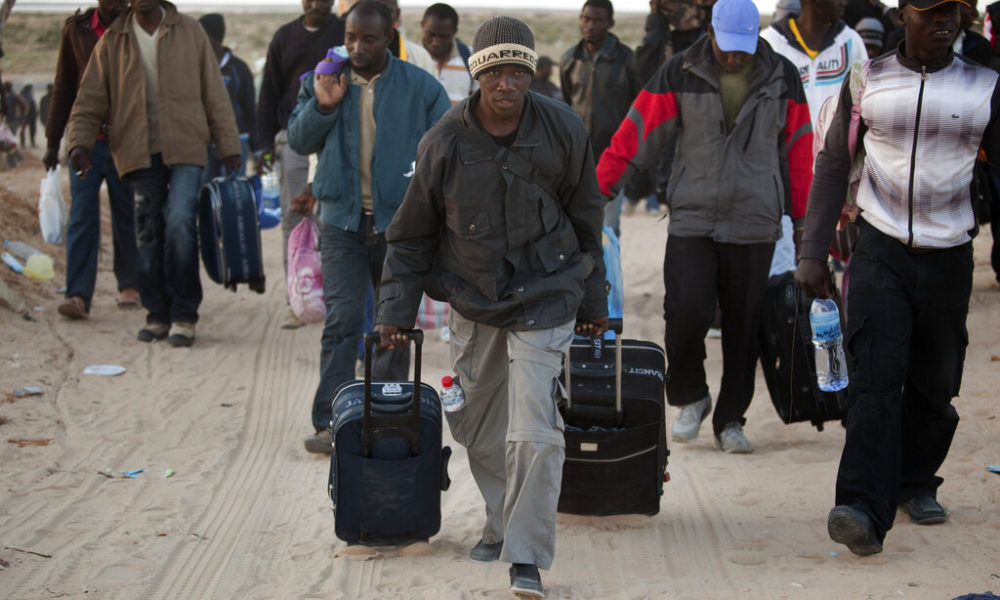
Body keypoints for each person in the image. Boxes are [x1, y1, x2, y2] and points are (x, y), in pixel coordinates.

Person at [375, 16, 607, 597]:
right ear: (478, 74)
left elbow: (587, 222)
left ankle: (525, 554)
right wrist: (394, 312)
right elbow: (410, 236)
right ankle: (502, 517)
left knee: (533, 428)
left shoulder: (564, 129)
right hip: (474, 298)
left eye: (518, 71)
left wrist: (594, 299)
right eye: (495, 71)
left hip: (548, 293)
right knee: (477, 426)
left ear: (531, 74)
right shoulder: (444, 142)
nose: (507, 83)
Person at [797, 0, 1000, 556]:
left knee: (935, 387)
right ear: (904, 16)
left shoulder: (984, 86)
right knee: (875, 380)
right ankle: (861, 507)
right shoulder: (869, 79)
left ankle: (915, 481)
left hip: (949, 254)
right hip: (880, 248)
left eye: (954, 11)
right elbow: (834, 163)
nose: (945, 21)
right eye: (931, 11)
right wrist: (813, 250)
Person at [597, 0, 814, 454]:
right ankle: (691, 395)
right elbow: (638, 130)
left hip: (755, 219)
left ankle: (731, 418)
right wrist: (597, 189)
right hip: (693, 213)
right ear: (711, 33)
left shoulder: (783, 77)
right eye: (726, 47)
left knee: (744, 325)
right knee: (685, 314)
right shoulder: (680, 70)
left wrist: (804, 227)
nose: (734, 56)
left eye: (744, 47)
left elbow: (798, 151)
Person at [287, 0, 450, 454]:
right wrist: (322, 105)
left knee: (392, 325)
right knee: (341, 321)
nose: (357, 47)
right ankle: (331, 420)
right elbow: (299, 140)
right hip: (341, 222)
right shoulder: (322, 80)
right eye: (350, 38)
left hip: (399, 226)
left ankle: (386, 413)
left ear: (389, 35)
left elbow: (443, 148)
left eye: (368, 39)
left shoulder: (419, 86)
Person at [66, 0, 241, 347]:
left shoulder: (189, 31)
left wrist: (229, 146)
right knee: (147, 233)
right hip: (137, 149)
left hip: (187, 147)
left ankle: (184, 315)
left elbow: (214, 93)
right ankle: (157, 314)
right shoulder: (113, 41)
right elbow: (89, 99)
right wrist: (78, 143)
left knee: (178, 222)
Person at [46, 0, 140, 321]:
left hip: (126, 139)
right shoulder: (77, 30)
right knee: (82, 216)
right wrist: (52, 141)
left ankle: (130, 285)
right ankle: (77, 295)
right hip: (85, 142)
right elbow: (63, 88)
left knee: (126, 211)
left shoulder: (137, 25)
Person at [760, 0, 867, 276]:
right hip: (783, 177)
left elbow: (865, 105)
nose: (844, 2)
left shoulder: (850, 42)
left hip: (834, 177)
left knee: (833, 273)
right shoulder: (770, 42)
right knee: (783, 273)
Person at [257, 0, 345, 330]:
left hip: (336, 136)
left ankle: (334, 298)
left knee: (335, 219)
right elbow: (268, 92)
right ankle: (297, 299)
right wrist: (265, 144)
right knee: (296, 218)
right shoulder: (284, 37)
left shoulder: (345, 32)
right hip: (292, 138)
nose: (316, 3)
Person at [560, 0, 641, 237]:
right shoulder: (569, 60)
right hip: (575, 159)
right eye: (585, 19)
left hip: (614, 157)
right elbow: (565, 108)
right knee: (573, 225)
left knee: (608, 228)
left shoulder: (628, 60)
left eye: (597, 20)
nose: (590, 25)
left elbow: (638, 109)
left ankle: (608, 275)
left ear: (610, 23)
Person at [198, 13, 258, 181]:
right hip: (204, 143)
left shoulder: (238, 69)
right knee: (204, 192)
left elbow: (249, 110)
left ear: (214, 37)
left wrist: (257, 149)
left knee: (233, 193)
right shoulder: (195, 67)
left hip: (237, 141)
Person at [420, 2, 476, 105]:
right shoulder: (408, 57)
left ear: (454, 31)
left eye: (443, 36)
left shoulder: (472, 58)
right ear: (422, 25)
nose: (435, 42)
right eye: (430, 34)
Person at [18, 84, 36, 148]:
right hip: (25, 115)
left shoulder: (30, 94)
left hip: (31, 115)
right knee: (23, 129)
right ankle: (23, 143)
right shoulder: (23, 94)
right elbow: (23, 106)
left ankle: (32, 142)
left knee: (32, 129)